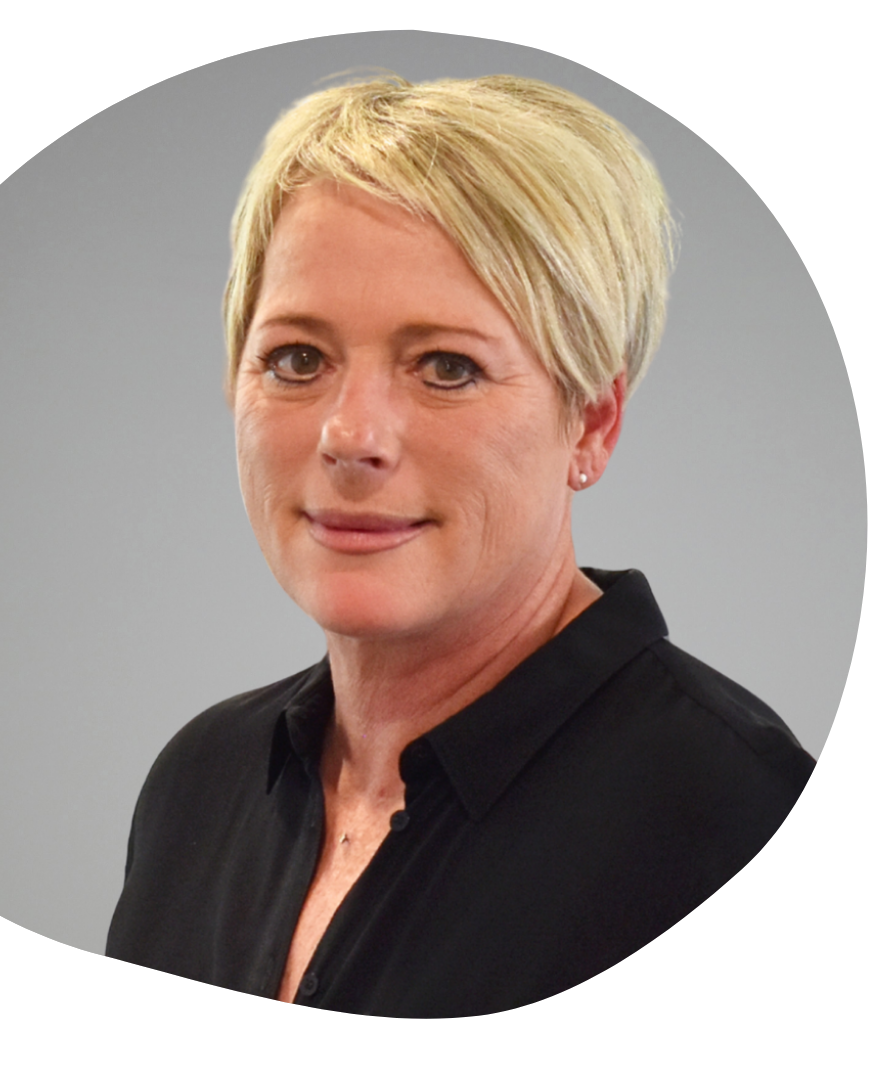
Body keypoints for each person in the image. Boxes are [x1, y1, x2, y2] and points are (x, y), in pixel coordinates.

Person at [105, 75, 814, 1015]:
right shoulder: (200, 786)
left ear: (592, 422)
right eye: (297, 359)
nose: (351, 436)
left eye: (447, 367)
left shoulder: (734, 818)